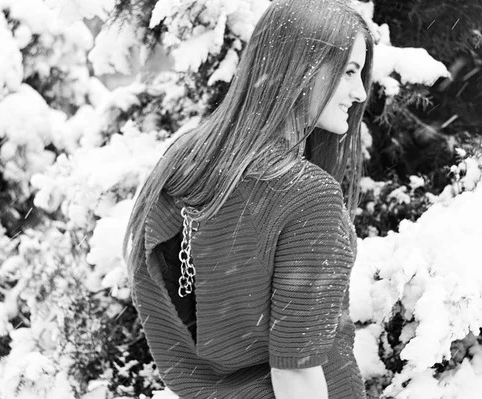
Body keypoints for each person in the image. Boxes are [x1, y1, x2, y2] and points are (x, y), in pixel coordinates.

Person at [123, 0, 374, 397]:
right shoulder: (307, 196)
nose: (359, 93)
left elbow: (163, 311)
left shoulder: (184, 164)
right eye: (348, 71)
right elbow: (297, 373)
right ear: (302, 67)